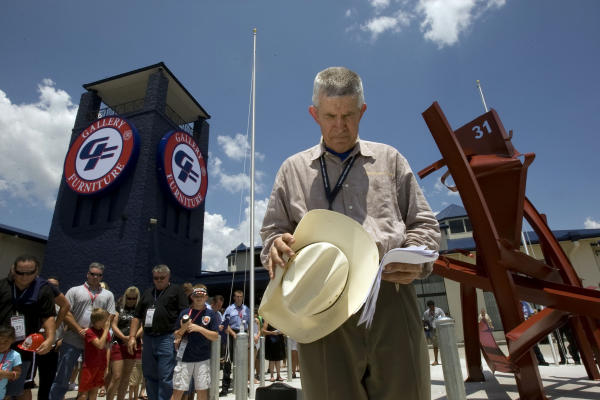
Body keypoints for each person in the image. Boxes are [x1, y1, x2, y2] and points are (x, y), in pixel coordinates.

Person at [260, 66, 440, 399]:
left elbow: (425, 224)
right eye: (330, 115)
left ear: (363, 110)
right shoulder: (292, 170)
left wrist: (416, 256)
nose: (340, 126)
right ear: (314, 114)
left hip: (391, 296)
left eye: (349, 115)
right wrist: (274, 245)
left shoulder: (391, 159)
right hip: (320, 304)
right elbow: (273, 232)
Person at [50, 262, 116, 400]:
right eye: (92, 274)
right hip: (73, 339)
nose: (95, 277)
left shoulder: (108, 295)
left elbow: (110, 316)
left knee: (88, 378)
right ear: (87, 274)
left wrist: (95, 334)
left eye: (98, 275)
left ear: (102, 276)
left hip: (94, 343)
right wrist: (79, 329)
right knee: (63, 375)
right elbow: (66, 312)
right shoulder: (75, 291)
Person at [127, 265, 188, 400]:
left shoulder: (176, 290)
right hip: (148, 339)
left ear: (168, 277)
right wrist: (132, 337)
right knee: (149, 375)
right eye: (156, 278)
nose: (159, 280)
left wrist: (180, 334)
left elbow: (185, 315)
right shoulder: (148, 293)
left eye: (162, 278)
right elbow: (137, 316)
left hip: (167, 338)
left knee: (165, 376)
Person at [0, 255, 56, 400]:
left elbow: (48, 316)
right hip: (1, 341)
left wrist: (50, 338)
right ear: (13, 270)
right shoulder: (3, 286)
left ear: (36, 271)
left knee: (22, 387)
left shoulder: (43, 290)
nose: (24, 277)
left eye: (29, 273)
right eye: (20, 273)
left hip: (26, 345)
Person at [172, 285, 219, 400]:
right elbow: (176, 334)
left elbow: (215, 336)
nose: (199, 298)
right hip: (185, 358)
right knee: (178, 391)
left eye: (201, 296)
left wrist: (199, 329)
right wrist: (184, 328)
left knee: (202, 391)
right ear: (192, 297)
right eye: (196, 296)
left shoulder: (211, 314)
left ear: (206, 297)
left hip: (202, 358)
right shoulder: (185, 312)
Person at [36, 276, 71, 400]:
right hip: (33, 345)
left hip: (52, 346)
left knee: (47, 379)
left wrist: (61, 338)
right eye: (49, 285)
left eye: (55, 286)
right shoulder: (37, 301)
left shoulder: (60, 307)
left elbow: (68, 324)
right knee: (27, 380)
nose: (52, 288)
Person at [106, 287, 140, 400]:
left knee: (126, 377)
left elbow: (143, 326)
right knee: (116, 376)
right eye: (129, 298)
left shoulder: (140, 309)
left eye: (134, 298)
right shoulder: (119, 307)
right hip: (119, 343)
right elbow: (114, 325)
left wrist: (132, 337)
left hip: (133, 344)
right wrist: (124, 337)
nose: (131, 300)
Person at [219, 290, 251, 396]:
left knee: (242, 362)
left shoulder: (246, 309)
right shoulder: (229, 309)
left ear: (243, 297)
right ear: (234, 297)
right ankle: (225, 388)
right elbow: (225, 324)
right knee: (228, 361)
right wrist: (233, 333)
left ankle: (243, 386)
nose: (238, 299)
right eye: (237, 297)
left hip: (243, 335)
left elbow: (250, 324)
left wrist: (250, 338)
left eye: (240, 297)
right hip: (232, 335)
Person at [78, 308, 114, 400]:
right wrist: (106, 330)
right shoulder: (90, 332)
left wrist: (106, 365)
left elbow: (107, 349)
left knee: (94, 392)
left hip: (100, 366)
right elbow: (100, 345)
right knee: (84, 394)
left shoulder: (104, 332)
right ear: (98, 321)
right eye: (105, 320)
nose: (107, 322)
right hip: (90, 367)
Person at [521, 301, 549, 366]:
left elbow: (531, 314)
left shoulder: (525, 304)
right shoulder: (513, 304)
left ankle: (541, 360)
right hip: (518, 328)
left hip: (527, 326)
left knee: (534, 344)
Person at [0, 326, 22, 400]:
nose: (2, 345)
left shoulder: (14, 355)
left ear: (12, 340)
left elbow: (18, 374)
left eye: (5, 342)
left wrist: (5, 374)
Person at [422, 300, 445, 366]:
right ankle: (436, 360)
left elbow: (443, 317)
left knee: (443, 345)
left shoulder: (439, 310)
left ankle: (445, 359)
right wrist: (427, 330)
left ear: (434, 305)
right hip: (433, 331)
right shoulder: (426, 313)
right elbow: (425, 322)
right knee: (435, 346)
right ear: (428, 306)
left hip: (440, 330)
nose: (431, 307)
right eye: (430, 306)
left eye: (432, 306)